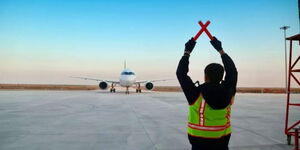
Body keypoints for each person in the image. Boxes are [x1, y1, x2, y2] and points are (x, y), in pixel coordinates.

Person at [176, 37, 238, 150]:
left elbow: (181, 73)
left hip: (199, 143)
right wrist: (221, 50)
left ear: (205, 76)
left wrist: (187, 52)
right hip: (222, 142)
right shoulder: (228, 91)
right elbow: (232, 71)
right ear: (221, 76)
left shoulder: (195, 93)